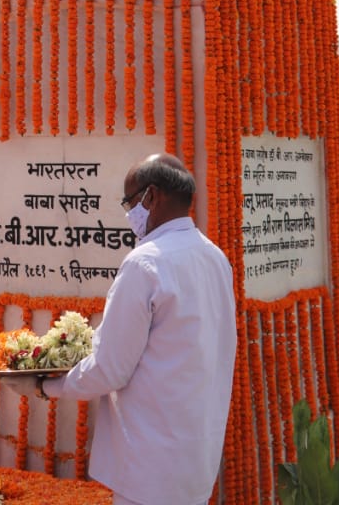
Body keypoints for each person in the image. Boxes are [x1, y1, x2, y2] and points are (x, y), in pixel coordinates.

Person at [39, 153, 235, 505]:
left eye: (129, 202)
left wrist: (44, 386)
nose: (129, 213)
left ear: (152, 196)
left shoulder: (145, 263)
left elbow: (110, 369)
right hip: (196, 458)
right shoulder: (215, 257)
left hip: (150, 465)